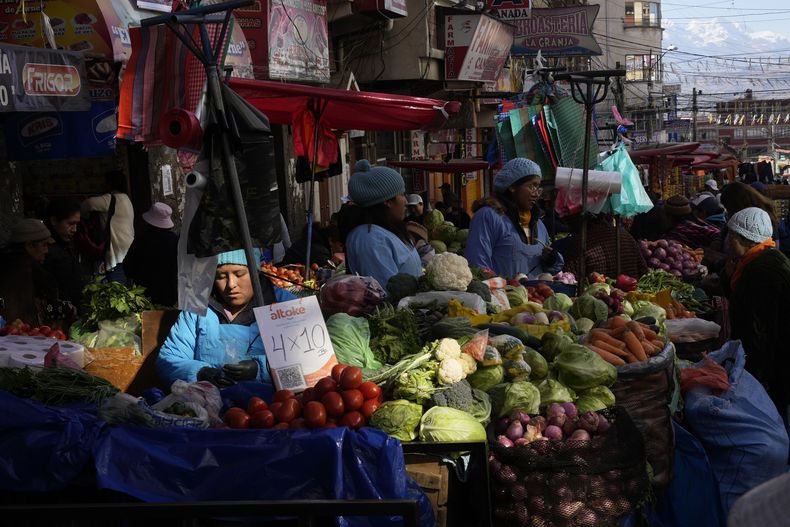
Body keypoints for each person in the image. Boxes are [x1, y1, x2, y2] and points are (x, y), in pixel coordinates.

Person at [157, 248, 296, 387]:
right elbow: (169, 360)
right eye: (221, 276)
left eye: (239, 274)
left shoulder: (284, 305)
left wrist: (261, 369)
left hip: (267, 405)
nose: (231, 284)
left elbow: (307, 361)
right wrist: (200, 373)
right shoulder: (198, 307)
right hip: (207, 401)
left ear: (256, 272)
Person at [722, 208, 790, 422]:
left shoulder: (760, 272)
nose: (726, 241)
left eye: (729, 235)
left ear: (738, 238)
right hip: (777, 361)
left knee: (773, 415)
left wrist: (754, 375)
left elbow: (758, 329)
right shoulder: (761, 259)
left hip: (776, 365)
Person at [465, 158, 563, 278]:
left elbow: (549, 271)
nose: (536, 193)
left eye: (538, 188)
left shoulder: (539, 225)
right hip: (501, 295)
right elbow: (477, 265)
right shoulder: (488, 217)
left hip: (535, 295)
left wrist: (551, 260)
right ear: (512, 187)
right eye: (532, 186)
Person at [338, 160, 422, 293]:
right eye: (401, 195)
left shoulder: (387, 231)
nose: (406, 202)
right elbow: (386, 291)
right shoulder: (370, 239)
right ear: (387, 202)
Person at [0, 219, 75, 327]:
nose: (46, 251)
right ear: (29, 246)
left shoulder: (9, 260)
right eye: (44, 245)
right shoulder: (25, 267)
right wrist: (70, 309)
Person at [81, 171, 134, 282]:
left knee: (118, 292)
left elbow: (87, 204)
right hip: (128, 252)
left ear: (109, 184)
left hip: (117, 254)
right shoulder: (126, 198)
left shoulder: (110, 199)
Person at [123, 202, 179, 307]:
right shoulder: (175, 241)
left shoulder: (141, 240)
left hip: (144, 297)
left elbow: (128, 268)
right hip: (169, 296)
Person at [561, 213, 648, 280]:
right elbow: (643, 270)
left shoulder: (579, 242)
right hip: (631, 295)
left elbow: (569, 278)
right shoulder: (624, 235)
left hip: (599, 297)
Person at [43, 198, 87, 310]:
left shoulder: (67, 245)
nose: (75, 229)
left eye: (76, 224)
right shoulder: (45, 251)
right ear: (54, 221)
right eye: (71, 223)